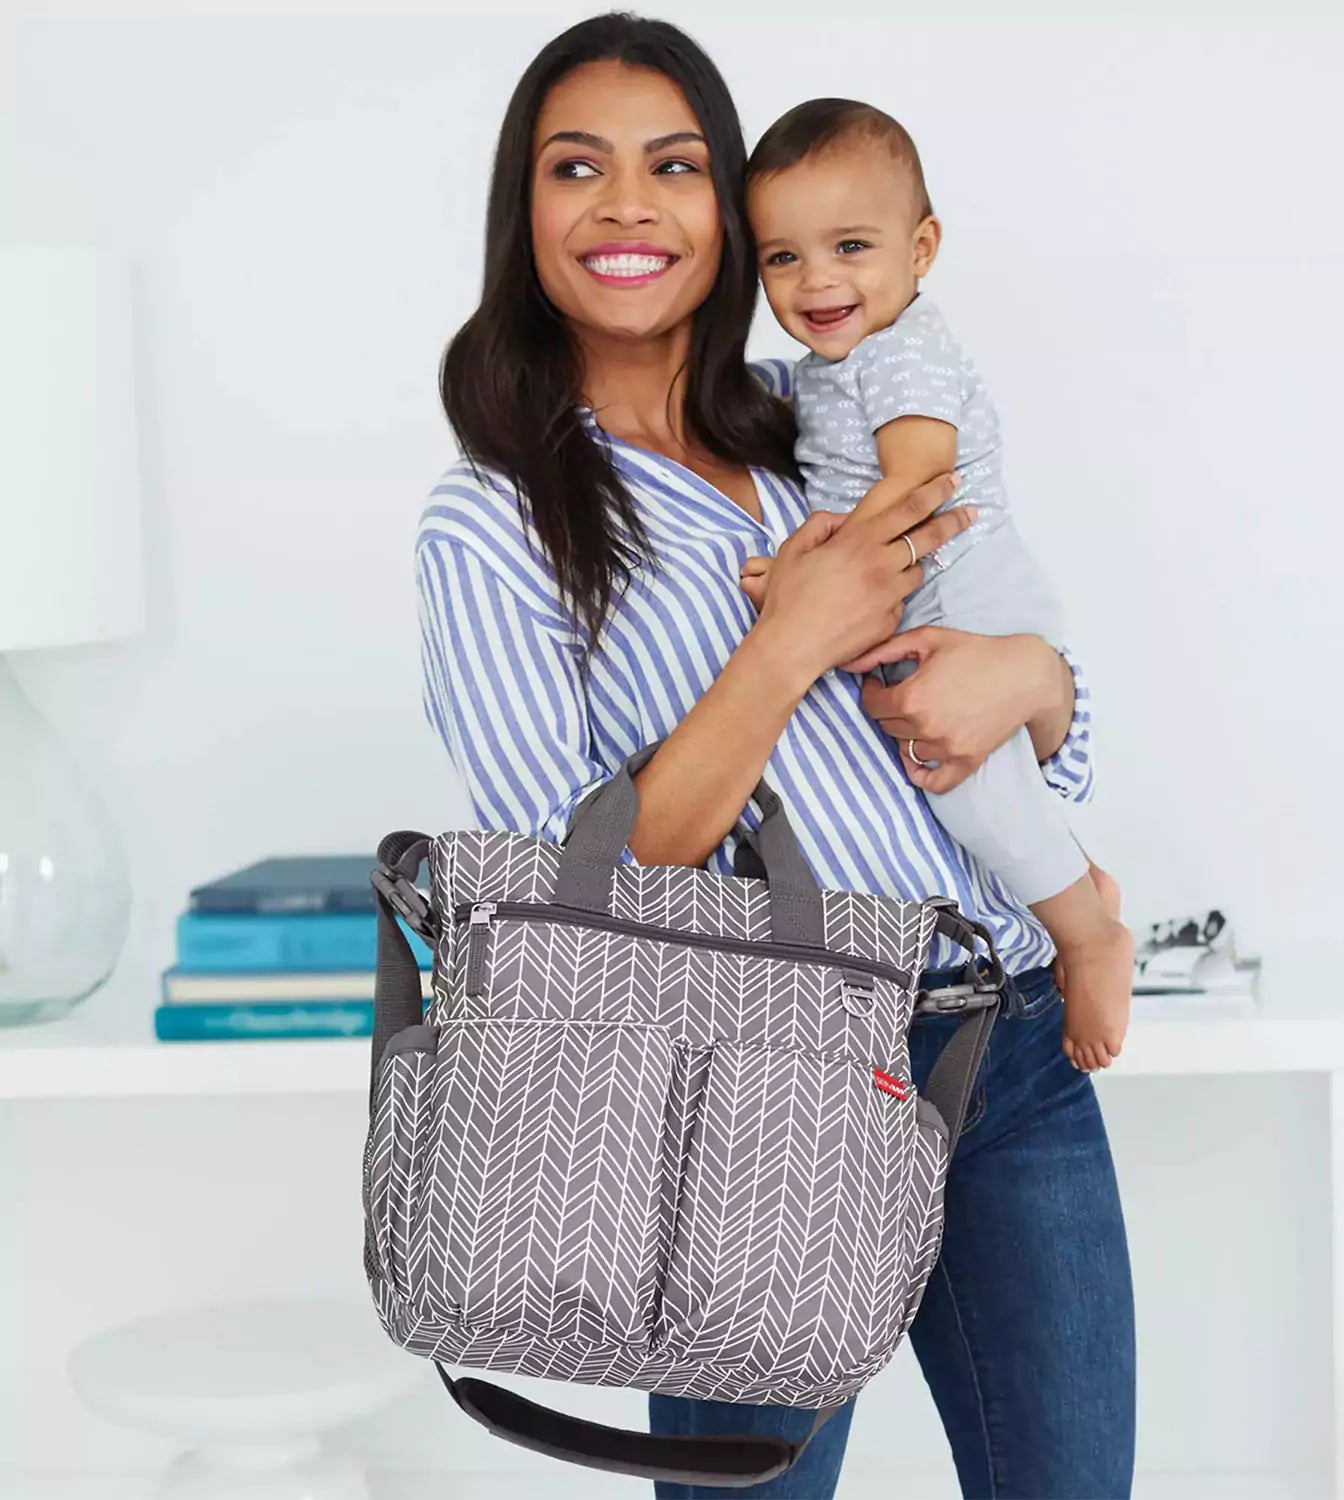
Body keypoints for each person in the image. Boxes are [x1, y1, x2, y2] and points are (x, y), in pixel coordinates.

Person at [415, 12, 1134, 1498]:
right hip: (755, 1092)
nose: (627, 205)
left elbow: (1008, 700)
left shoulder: (816, 423)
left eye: (673, 165)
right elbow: (568, 896)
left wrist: (1040, 682)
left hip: (1007, 1049)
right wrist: (786, 641)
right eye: (577, 167)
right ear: (523, 212)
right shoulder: (493, 519)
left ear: (725, 215)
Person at [739, 97, 1133, 1075]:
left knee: (968, 790)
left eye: (851, 246)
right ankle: (1077, 881)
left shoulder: (905, 347)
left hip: (964, 588)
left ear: (922, 248)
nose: (817, 279)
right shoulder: (829, 364)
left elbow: (916, 485)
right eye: (782, 258)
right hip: (931, 590)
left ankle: (1087, 936)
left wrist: (811, 574)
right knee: (966, 779)